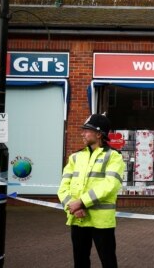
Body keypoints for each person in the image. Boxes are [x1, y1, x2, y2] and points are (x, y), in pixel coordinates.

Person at [57, 113, 124, 268]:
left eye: (87, 130)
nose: (82, 133)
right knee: (80, 262)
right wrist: (72, 207)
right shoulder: (75, 157)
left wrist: (81, 202)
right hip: (78, 218)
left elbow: (110, 184)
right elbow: (63, 187)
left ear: (99, 134)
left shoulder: (114, 157)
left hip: (101, 221)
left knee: (108, 262)